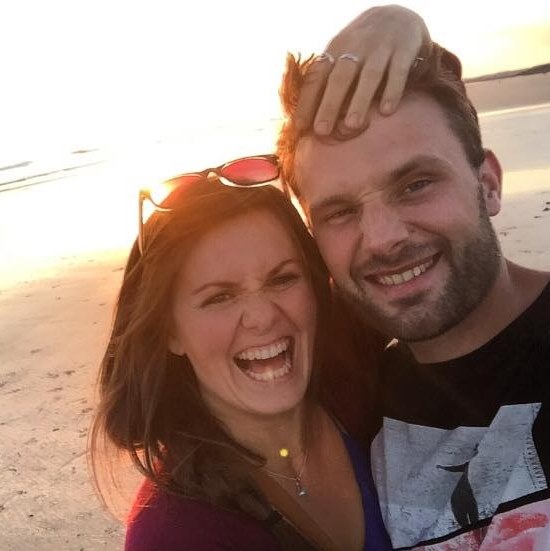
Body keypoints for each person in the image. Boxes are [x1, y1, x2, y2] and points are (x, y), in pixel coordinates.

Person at [90, 6, 432, 550]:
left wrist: (397, 22)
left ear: (317, 287)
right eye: (218, 297)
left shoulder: (346, 374)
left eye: (281, 279)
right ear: (169, 330)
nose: (262, 316)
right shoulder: (178, 534)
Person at [278, 27, 550, 551]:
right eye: (340, 212)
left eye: (416, 184)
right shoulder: (347, 393)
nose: (383, 240)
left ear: (488, 184)